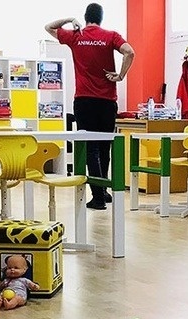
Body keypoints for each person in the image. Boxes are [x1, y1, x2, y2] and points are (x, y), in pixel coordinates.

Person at [46, 3, 135, 210]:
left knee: (91, 147)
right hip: (107, 102)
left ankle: (97, 196)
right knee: (104, 146)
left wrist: (69, 19)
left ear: (85, 17)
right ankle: (103, 190)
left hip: (85, 101)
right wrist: (121, 76)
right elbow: (129, 52)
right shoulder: (110, 35)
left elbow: (48, 27)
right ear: (101, 18)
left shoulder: (76, 36)